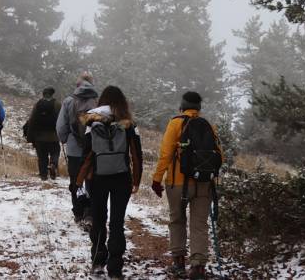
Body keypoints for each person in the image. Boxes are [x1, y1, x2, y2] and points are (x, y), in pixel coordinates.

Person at [151, 92, 223, 280]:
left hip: (177, 183)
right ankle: (198, 267)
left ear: (182, 106)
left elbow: (166, 154)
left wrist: (157, 179)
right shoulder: (208, 125)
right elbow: (219, 156)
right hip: (203, 184)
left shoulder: (175, 123)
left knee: (177, 221)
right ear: (198, 108)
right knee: (199, 224)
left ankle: (179, 263)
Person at [76, 86, 142, 279]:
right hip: (122, 178)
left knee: (98, 220)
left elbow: (87, 153)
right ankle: (115, 268)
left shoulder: (91, 119)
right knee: (116, 222)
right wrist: (136, 179)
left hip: (97, 178)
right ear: (121, 101)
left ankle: (97, 262)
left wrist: (79, 179)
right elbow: (136, 154)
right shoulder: (128, 121)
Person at [56, 72, 98, 224]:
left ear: (78, 84)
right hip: (93, 148)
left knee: (76, 180)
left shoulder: (69, 101)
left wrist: (64, 139)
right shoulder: (98, 101)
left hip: (74, 148)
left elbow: (61, 126)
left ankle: (78, 212)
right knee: (91, 179)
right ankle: (90, 213)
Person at [26, 87, 62, 180]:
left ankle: (43, 175)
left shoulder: (38, 104)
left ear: (43, 94)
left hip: (39, 136)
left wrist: (30, 137)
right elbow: (62, 120)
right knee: (55, 152)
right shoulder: (57, 104)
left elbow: (32, 120)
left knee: (42, 156)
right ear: (52, 94)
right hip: (53, 136)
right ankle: (53, 164)